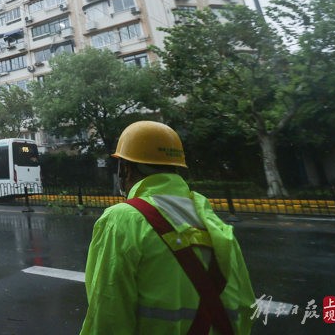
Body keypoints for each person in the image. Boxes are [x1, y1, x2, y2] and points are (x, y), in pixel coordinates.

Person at [80, 121, 254, 335]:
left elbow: (108, 315)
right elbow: (246, 306)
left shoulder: (122, 219)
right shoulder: (212, 221)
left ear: (126, 169)